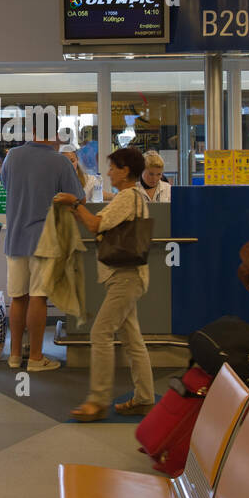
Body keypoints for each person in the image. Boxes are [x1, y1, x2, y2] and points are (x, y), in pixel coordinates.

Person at [53, 147, 156, 421]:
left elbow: (96, 226)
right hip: (129, 275)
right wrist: (77, 206)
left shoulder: (127, 196)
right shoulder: (134, 196)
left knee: (100, 333)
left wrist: (74, 205)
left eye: (112, 167)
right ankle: (145, 398)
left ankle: (97, 401)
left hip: (126, 276)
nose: (108, 172)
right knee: (133, 339)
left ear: (124, 171)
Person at [0, 125, 83, 372]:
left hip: (15, 237)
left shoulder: (12, 156)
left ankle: (14, 355)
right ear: (53, 135)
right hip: (44, 239)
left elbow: (7, 186)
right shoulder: (60, 162)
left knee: (17, 297)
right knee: (38, 296)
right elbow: (78, 197)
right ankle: (36, 357)